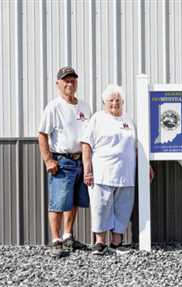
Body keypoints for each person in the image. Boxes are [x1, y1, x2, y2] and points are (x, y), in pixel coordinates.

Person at [38, 66, 91, 258]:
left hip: (80, 160)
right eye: (66, 80)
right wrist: (48, 160)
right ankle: (55, 240)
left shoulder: (84, 106)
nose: (70, 83)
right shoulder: (54, 106)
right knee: (58, 202)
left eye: (73, 80)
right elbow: (42, 134)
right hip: (62, 160)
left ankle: (68, 236)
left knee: (75, 201)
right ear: (58, 84)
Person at [81, 84, 139, 255]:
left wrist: (146, 166)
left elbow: (136, 146)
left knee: (123, 208)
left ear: (123, 102)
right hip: (102, 173)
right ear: (104, 103)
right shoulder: (98, 118)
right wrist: (87, 169)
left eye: (118, 100)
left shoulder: (128, 119)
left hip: (126, 174)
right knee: (101, 206)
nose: (115, 103)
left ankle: (116, 242)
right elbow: (86, 144)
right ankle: (100, 243)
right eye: (111, 100)